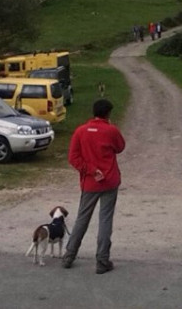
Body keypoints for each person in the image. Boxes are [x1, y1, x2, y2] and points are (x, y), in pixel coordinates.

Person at [63, 99, 126, 274]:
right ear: (108, 114)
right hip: (110, 180)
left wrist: (90, 170)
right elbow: (120, 147)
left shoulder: (81, 131)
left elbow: (73, 158)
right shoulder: (111, 130)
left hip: (90, 182)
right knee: (105, 220)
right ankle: (102, 260)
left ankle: (69, 255)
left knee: (82, 218)